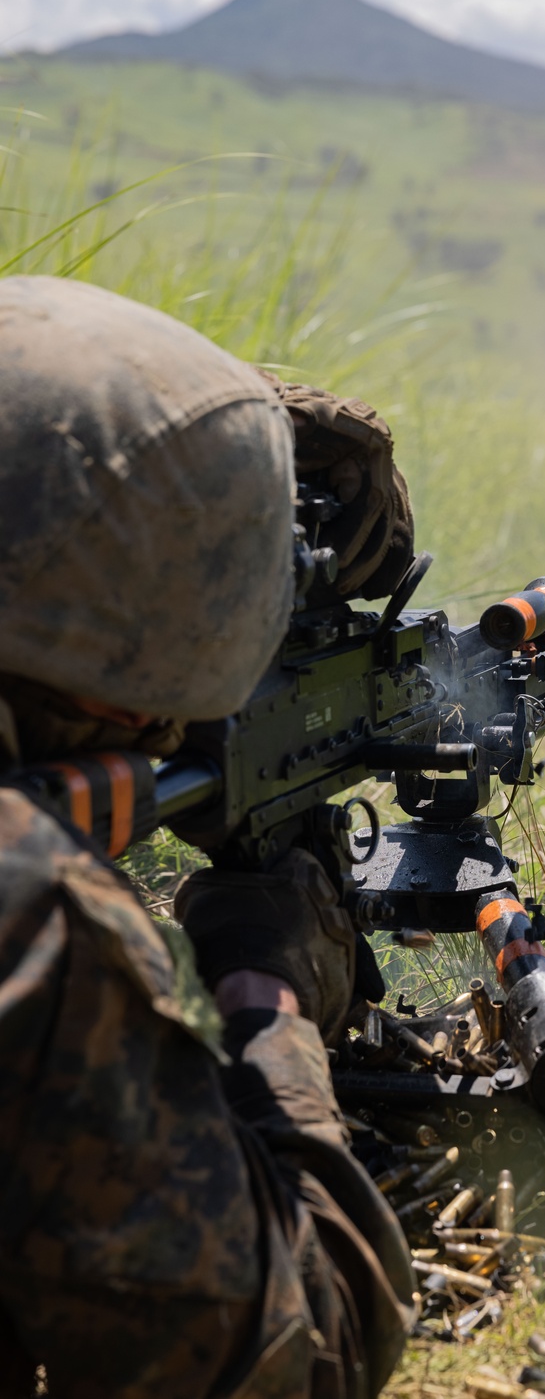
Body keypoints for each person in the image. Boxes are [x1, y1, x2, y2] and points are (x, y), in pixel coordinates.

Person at [0, 274, 416, 1398]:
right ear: (133, 709)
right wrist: (267, 991)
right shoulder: (29, 914)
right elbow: (297, 1360)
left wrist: (243, 433)